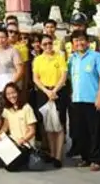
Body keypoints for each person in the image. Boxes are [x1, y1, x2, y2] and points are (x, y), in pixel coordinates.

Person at [68, 30, 100, 172]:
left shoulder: (96, 56)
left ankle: (96, 160)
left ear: (88, 41)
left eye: (81, 40)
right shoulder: (72, 59)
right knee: (81, 131)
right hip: (77, 99)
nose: (79, 43)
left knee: (95, 131)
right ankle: (85, 157)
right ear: (73, 44)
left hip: (93, 100)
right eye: (76, 41)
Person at [32, 34, 67, 166]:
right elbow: (36, 78)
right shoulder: (38, 60)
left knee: (59, 124)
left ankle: (58, 156)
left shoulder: (59, 57)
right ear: (40, 46)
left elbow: (63, 77)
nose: (47, 46)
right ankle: (52, 153)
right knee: (48, 125)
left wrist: (54, 91)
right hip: (43, 92)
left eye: (49, 43)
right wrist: (47, 91)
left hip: (58, 92)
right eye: (44, 44)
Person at [0, 82, 37, 172]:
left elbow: (32, 131)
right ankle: (12, 158)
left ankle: (23, 159)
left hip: (25, 144)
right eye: (8, 94)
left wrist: (22, 140)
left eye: (13, 92)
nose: (11, 96)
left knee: (10, 167)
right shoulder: (7, 109)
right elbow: (5, 127)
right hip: (12, 141)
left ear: (18, 93)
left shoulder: (27, 108)